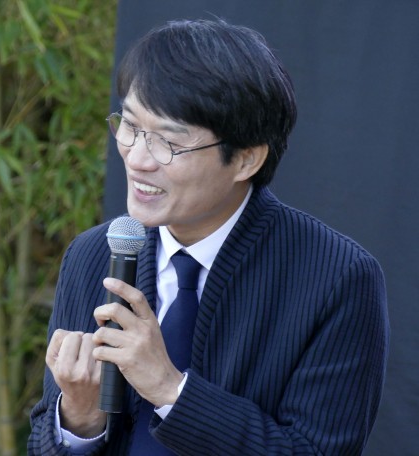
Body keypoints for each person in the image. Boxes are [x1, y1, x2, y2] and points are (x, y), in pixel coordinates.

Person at [28, 18, 389, 455]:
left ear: (246, 159)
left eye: (168, 142)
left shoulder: (339, 278)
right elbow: (45, 440)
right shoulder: (93, 253)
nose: (138, 158)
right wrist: (80, 420)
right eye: (131, 126)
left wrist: (170, 389)